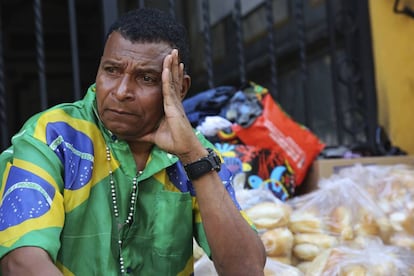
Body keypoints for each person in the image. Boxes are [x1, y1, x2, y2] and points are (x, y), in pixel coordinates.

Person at [0, 7, 266, 275]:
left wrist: (193, 157)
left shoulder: (193, 153)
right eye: (112, 71)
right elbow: (22, 262)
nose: (122, 91)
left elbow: (245, 269)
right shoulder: (54, 137)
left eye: (146, 78)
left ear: (179, 88)